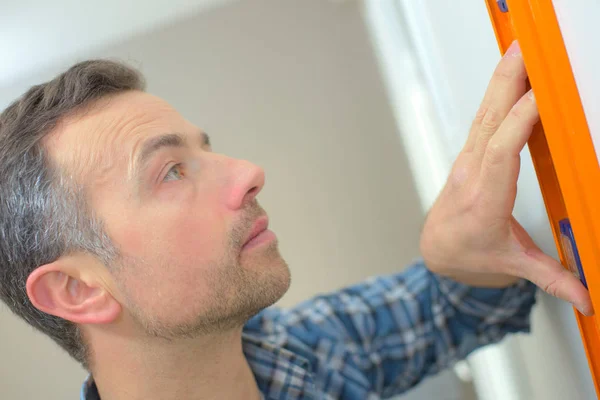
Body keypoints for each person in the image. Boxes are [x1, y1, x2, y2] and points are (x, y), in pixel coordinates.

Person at [0, 40, 591, 400]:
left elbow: (451, 309)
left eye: (204, 150)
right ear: (78, 289)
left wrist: (451, 254)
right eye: (171, 171)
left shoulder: (292, 352)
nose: (248, 172)